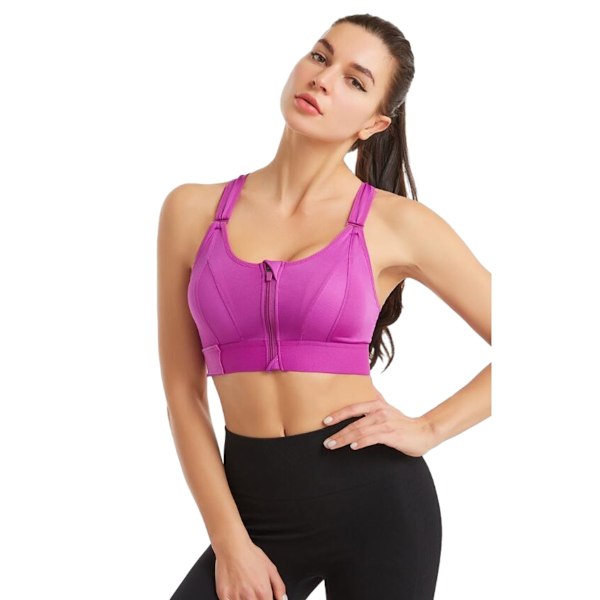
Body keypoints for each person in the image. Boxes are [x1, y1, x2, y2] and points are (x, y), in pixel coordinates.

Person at [157, 13, 491, 600]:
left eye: (355, 81)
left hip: (379, 506)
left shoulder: (396, 223)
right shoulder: (191, 211)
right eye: (320, 56)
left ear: (374, 124)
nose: (323, 79)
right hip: (252, 512)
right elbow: (183, 394)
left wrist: (429, 428)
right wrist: (230, 543)